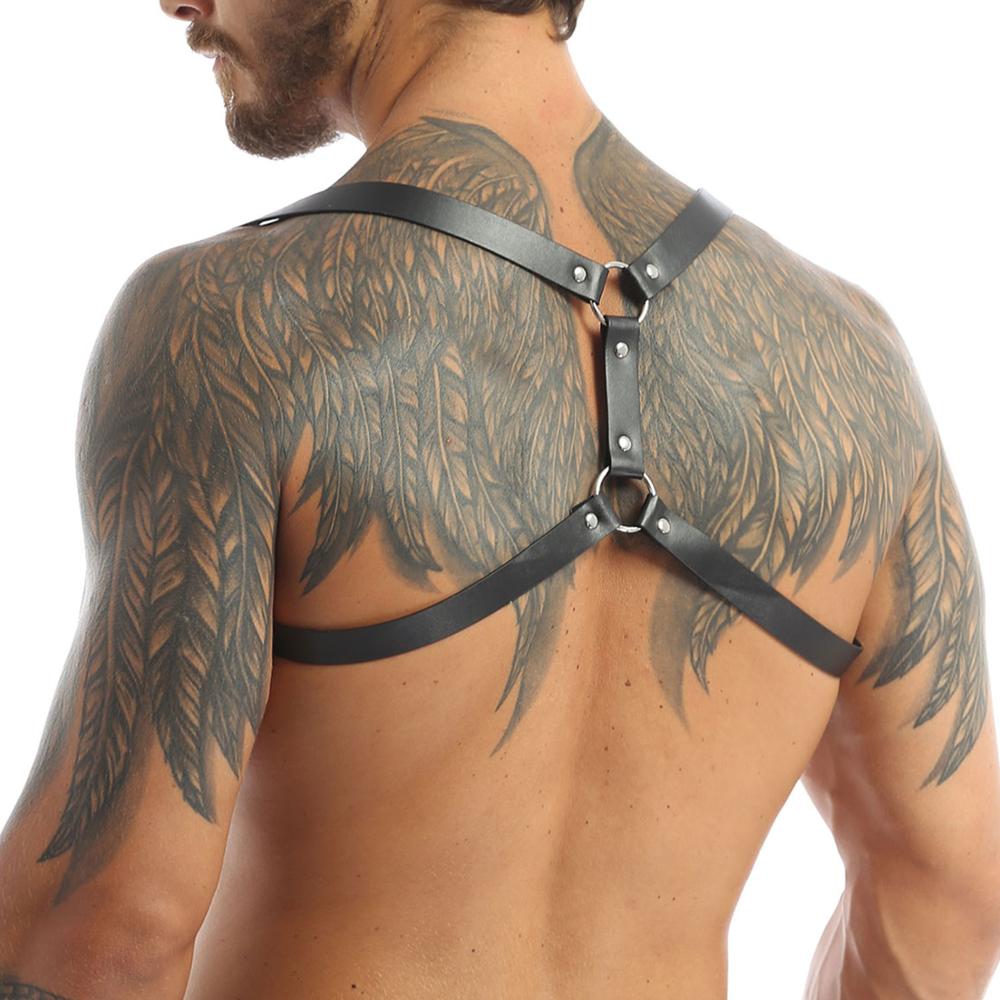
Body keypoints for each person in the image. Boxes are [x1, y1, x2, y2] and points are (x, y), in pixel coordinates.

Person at [1, 0, 998, 996]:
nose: (175, 0)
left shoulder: (235, 325)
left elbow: (108, 929)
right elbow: (955, 888)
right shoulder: (850, 360)